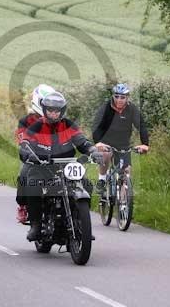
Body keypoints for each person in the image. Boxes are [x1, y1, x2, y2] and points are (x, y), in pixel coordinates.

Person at [19, 92, 103, 241]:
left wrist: (93, 151)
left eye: (57, 110)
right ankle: (36, 225)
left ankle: (82, 223)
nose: (53, 113)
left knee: (87, 185)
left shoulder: (69, 125)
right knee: (33, 186)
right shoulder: (36, 126)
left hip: (66, 167)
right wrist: (28, 154)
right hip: (42, 166)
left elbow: (82, 141)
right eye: (50, 110)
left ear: (62, 111)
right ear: (44, 110)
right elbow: (25, 143)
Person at [91, 83, 149, 194]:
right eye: (116, 96)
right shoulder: (106, 108)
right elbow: (96, 126)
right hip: (106, 142)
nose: (119, 100)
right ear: (113, 96)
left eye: (122, 97)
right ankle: (102, 180)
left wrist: (145, 144)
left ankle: (124, 205)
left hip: (123, 144)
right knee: (105, 156)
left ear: (127, 98)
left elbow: (141, 126)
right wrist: (98, 143)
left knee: (126, 172)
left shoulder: (132, 109)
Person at [15, 84, 55, 224]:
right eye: (46, 104)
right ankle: (23, 205)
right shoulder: (26, 121)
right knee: (24, 175)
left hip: (55, 159)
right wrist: (27, 152)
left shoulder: (57, 120)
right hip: (34, 159)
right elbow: (21, 139)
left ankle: (77, 215)